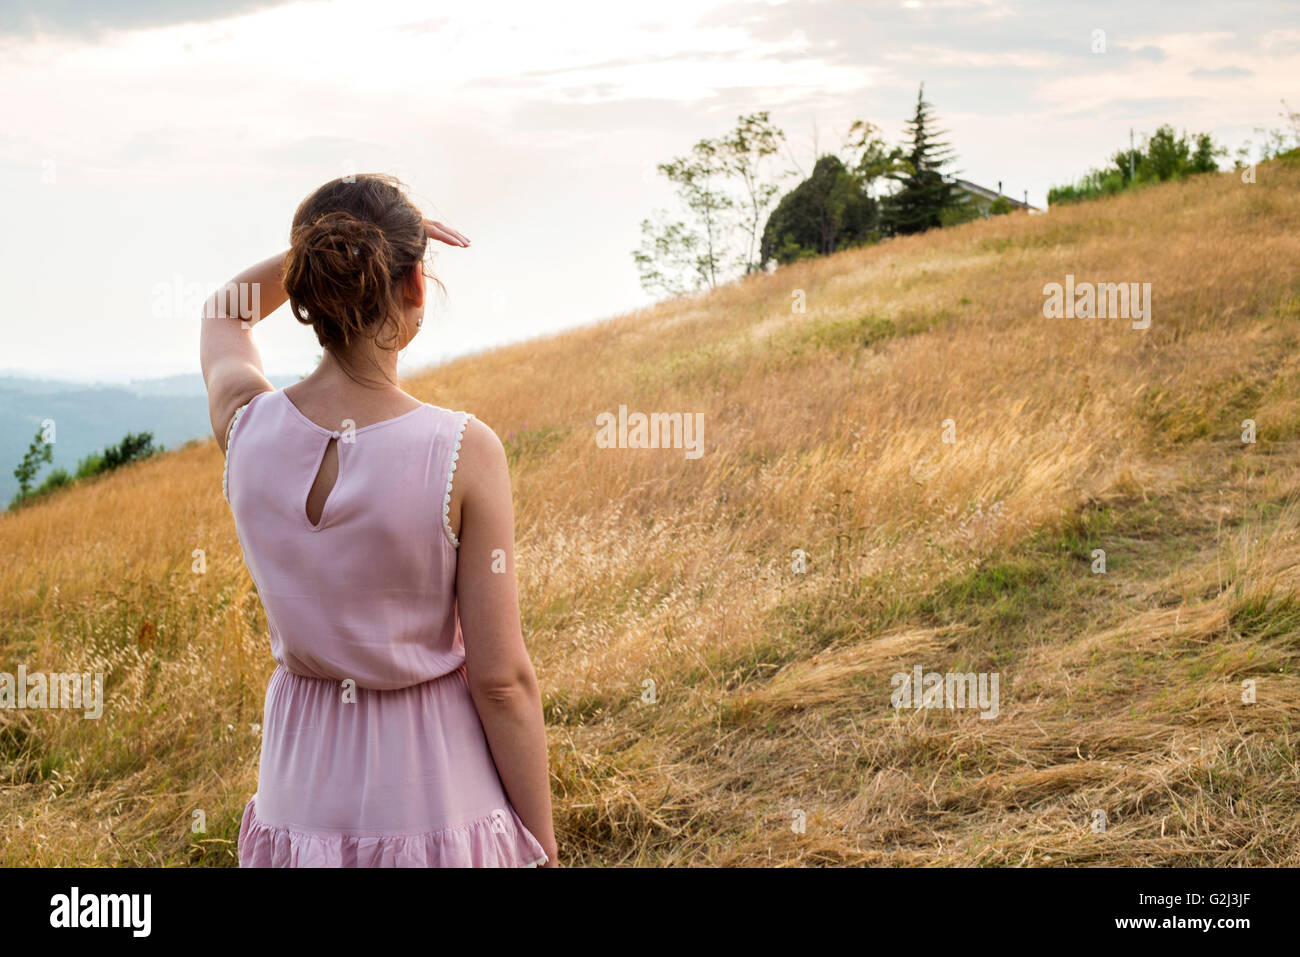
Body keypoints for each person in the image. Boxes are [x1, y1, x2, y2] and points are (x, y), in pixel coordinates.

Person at [199, 173, 558, 867]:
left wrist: (315, 250)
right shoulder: (463, 450)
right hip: (437, 806)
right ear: (415, 286)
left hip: (294, 795)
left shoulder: (246, 425)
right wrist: (541, 844)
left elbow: (224, 312)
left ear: (306, 291)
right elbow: (501, 680)